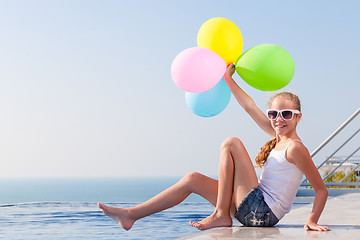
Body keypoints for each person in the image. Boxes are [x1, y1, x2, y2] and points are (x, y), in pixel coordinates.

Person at [98, 64, 330, 232]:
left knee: (231, 143)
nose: (279, 119)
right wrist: (227, 78)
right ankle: (131, 215)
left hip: (262, 212)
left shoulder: (295, 148)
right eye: (274, 114)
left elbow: (321, 189)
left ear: (298, 117)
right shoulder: (277, 137)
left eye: (286, 114)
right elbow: (249, 107)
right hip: (253, 209)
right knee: (192, 179)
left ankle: (220, 214)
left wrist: (311, 219)